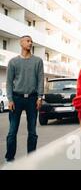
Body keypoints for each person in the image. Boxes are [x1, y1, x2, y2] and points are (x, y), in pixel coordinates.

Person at [5, 35, 44, 163]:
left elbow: (40, 80)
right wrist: (10, 99)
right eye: (28, 41)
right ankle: (10, 158)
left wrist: (40, 97)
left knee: (32, 132)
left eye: (31, 41)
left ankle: (31, 158)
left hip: (32, 99)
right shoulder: (13, 62)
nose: (30, 43)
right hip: (16, 99)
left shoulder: (38, 61)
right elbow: (9, 83)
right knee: (12, 131)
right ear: (21, 43)